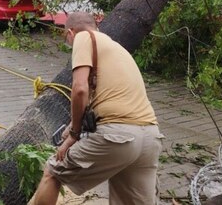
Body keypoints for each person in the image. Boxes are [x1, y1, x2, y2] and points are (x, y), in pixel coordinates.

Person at [32, 12, 163, 205]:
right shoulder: (115, 48)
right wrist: (72, 126)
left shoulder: (83, 37)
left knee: (53, 173)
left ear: (70, 33)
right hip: (150, 139)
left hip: (119, 137)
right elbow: (97, 99)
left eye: (66, 38)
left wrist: (73, 136)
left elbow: (79, 89)